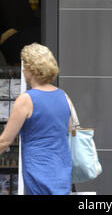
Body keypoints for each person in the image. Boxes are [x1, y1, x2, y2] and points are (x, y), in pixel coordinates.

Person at [0, 42, 73, 195]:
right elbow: (69, 130)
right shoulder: (64, 96)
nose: (23, 69)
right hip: (62, 169)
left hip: (38, 170)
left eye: (25, 65)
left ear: (32, 69)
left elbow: (5, 141)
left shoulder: (26, 100)